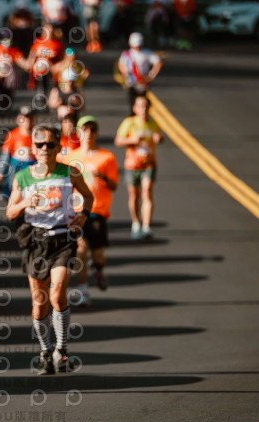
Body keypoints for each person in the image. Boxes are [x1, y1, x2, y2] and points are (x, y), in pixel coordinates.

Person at [6, 124, 94, 375]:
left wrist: (84, 215)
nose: (45, 149)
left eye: (50, 144)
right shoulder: (23, 177)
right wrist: (25, 202)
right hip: (36, 242)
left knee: (56, 295)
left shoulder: (70, 172)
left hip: (62, 239)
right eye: (40, 144)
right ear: (33, 148)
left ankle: (62, 350)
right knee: (39, 302)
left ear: (58, 148)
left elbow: (88, 196)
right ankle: (45, 351)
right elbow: (10, 212)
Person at [62, 116, 119, 304]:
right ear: (78, 133)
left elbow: (114, 186)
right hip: (76, 211)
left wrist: (103, 177)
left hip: (97, 211)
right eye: (85, 129)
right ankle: (83, 290)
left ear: (97, 133)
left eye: (92, 129)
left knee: (98, 255)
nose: (88, 133)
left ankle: (99, 269)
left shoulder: (106, 157)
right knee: (80, 249)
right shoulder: (70, 157)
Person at [114, 95, 163, 240]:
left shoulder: (153, 123)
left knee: (147, 192)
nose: (143, 109)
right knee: (134, 194)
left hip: (149, 163)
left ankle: (146, 226)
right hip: (132, 164)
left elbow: (158, 137)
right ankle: (136, 222)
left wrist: (159, 139)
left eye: (146, 106)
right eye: (140, 106)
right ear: (135, 108)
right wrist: (132, 140)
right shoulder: (129, 123)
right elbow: (118, 141)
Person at [0, 105, 36, 199]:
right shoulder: (13, 135)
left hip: (31, 168)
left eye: (30, 119)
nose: (27, 122)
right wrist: (0, 171)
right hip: (16, 167)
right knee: (13, 190)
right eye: (24, 119)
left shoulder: (36, 135)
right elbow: (5, 155)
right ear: (18, 120)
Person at [118, 32, 163, 111]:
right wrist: (125, 73)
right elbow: (121, 64)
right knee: (132, 104)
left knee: (143, 104)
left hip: (143, 82)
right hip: (131, 83)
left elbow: (158, 63)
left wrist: (151, 75)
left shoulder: (147, 53)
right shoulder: (126, 54)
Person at [0, 29, 30, 105]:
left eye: (8, 38)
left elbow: (25, 65)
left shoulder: (13, 51)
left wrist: (33, 55)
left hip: (9, 82)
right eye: (4, 39)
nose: (7, 41)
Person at [27, 21, 64, 94]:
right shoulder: (38, 42)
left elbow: (58, 55)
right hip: (40, 68)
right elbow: (32, 55)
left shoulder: (56, 43)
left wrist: (43, 53)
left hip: (53, 68)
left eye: (50, 30)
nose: (48, 32)